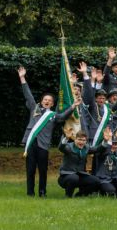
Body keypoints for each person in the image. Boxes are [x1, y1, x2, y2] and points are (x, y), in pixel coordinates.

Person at [19, 66, 72, 197]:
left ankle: (42, 192)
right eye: (45, 100)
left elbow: (63, 117)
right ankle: (30, 193)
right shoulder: (34, 107)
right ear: (41, 101)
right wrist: (22, 77)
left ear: (52, 104)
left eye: (49, 100)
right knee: (30, 170)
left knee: (43, 170)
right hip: (31, 144)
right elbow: (28, 94)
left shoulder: (53, 115)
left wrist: (73, 107)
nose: (47, 101)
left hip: (43, 146)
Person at [58, 131, 101, 197]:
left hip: (80, 176)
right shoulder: (69, 147)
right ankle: (68, 195)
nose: (81, 142)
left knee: (96, 181)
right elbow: (61, 147)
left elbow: (97, 149)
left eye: (84, 140)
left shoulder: (86, 148)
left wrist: (106, 141)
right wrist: (66, 138)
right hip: (66, 177)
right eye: (79, 139)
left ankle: (80, 195)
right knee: (74, 178)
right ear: (75, 139)